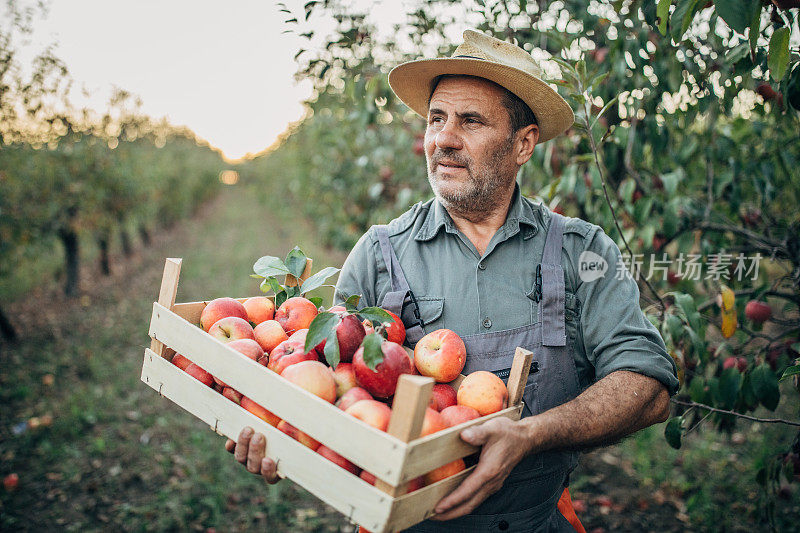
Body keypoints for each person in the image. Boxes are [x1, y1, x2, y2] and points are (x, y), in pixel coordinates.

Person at [227, 29, 679, 532]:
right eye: (436, 119)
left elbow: (648, 386)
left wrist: (531, 434)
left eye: (471, 120)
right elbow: (334, 396)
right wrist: (284, 441)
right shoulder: (379, 255)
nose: (443, 138)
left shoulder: (582, 250)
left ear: (523, 143)